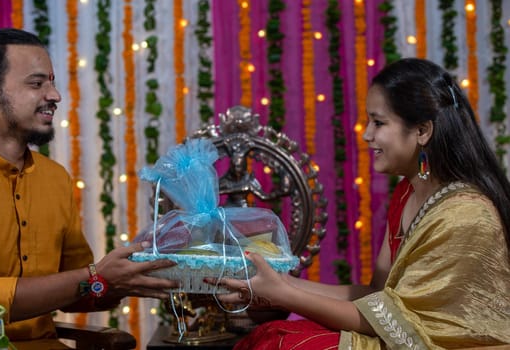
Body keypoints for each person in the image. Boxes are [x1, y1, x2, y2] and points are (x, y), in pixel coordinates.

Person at [0, 28, 178, 350]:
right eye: (36, 84)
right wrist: (96, 276)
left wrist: (132, 274)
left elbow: (80, 292)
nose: (55, 95)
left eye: (52, 82)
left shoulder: (55, 179)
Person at [211, 58, 510, 349]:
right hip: (393, 331)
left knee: (283, 343)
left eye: (379, 123)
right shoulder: (407, 193)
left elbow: (403, 325)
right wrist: (280, 284)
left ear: (422, 131)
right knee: (274, 335)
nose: (367, 135)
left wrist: (285, 295)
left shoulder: (465, 215)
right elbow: (376, 295)